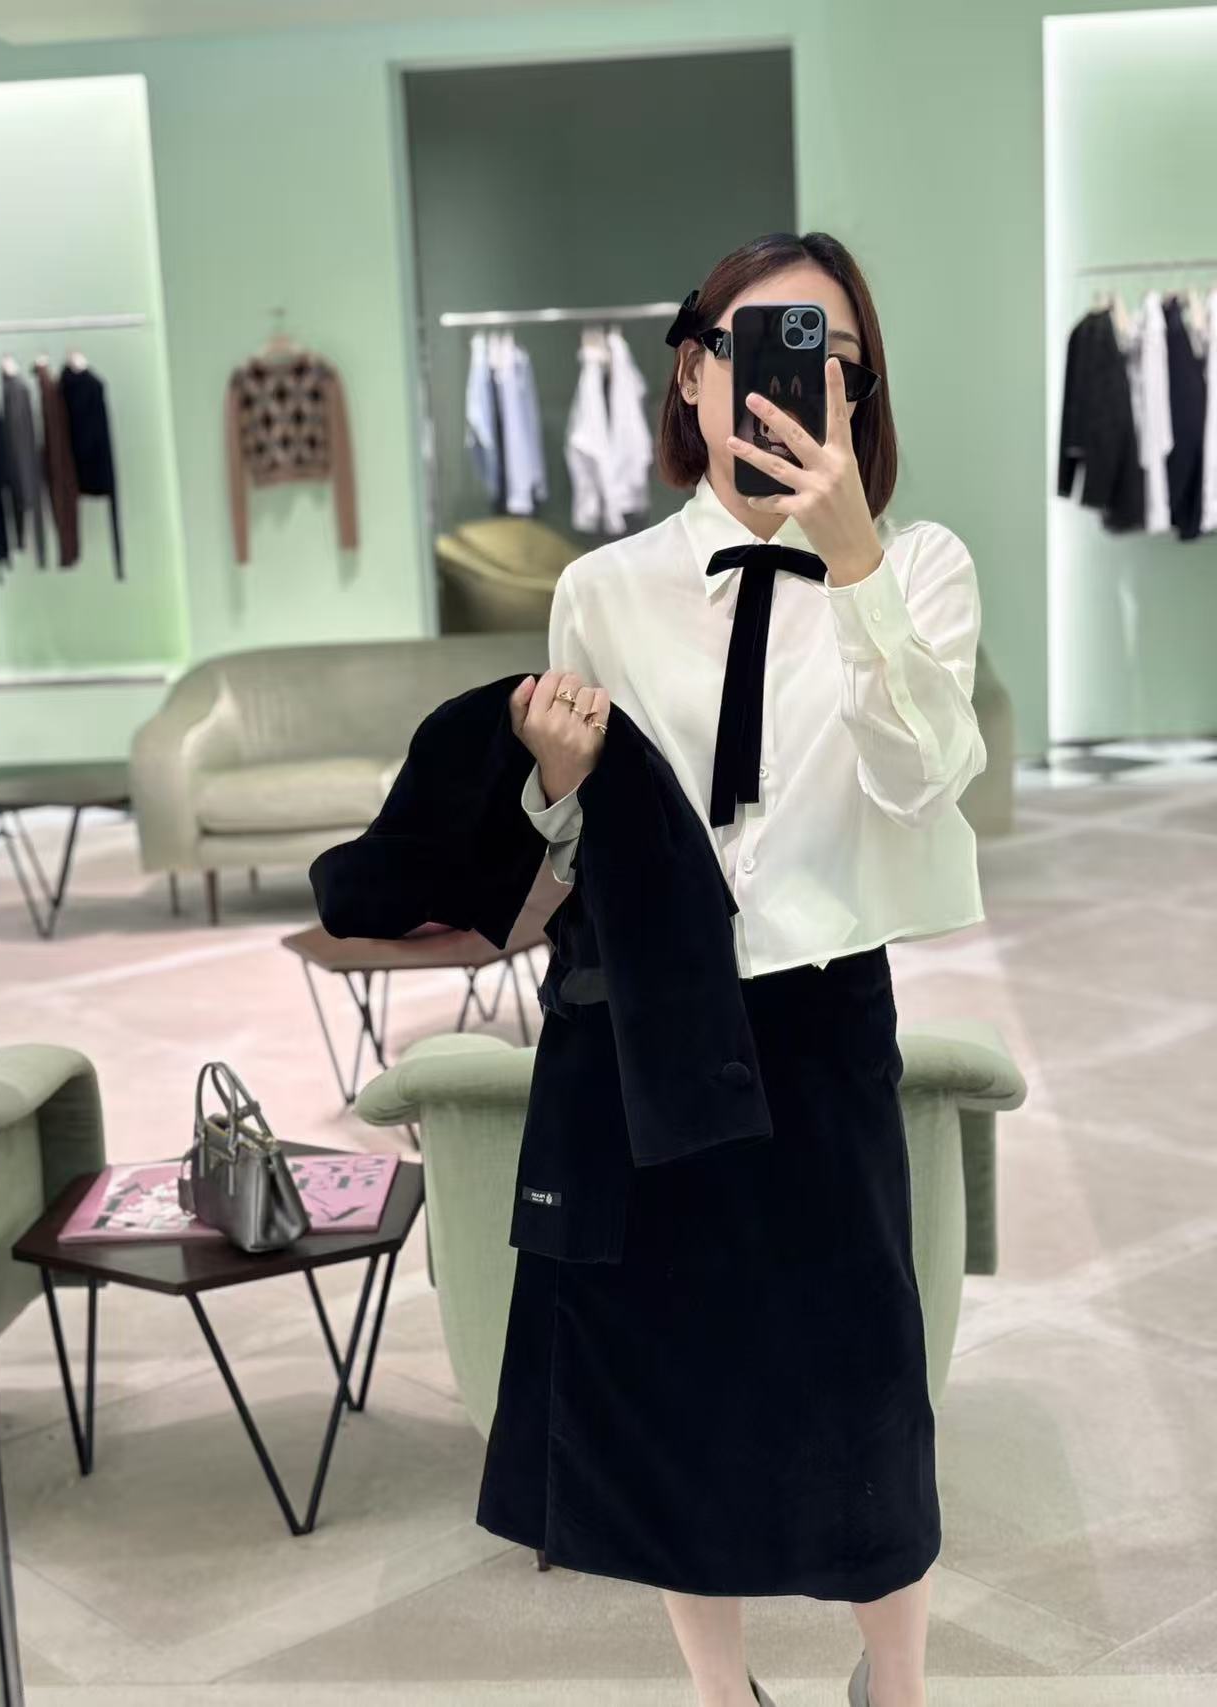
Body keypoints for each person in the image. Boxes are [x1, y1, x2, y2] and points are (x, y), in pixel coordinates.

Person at [488, 231, 987, 1707]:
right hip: (652, 1020)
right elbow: (571, 843)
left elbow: (925, 780)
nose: (787, 378)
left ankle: (893, 1683)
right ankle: (722, 1694)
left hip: (825, 1017)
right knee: (679, 1387)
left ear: (858, 393)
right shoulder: (603, 589)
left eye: (827, 356)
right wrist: (552, 781)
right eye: (753, 343)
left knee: (865, 1378)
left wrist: (856, 564)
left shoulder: (922, 568)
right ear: (695, 376)